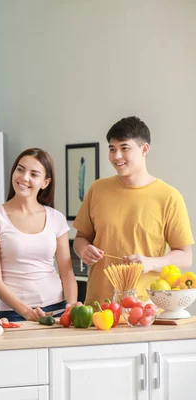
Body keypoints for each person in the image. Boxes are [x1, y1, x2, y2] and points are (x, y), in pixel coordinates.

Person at [73, 116, 194, 306]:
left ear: (144, 149)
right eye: (112, 149)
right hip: (98, 307)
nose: (116, 156)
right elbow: (81, 238)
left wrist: (150, 263)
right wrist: (83, 250)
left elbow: (185, 256)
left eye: (124, 148)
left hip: (146, 308)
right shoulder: (97, 189)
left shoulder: (169, 197)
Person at [0, 148, 78, 322]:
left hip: (58, 308)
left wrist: (71, 306)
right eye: (20, 169)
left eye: (34, 174)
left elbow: (66, 272)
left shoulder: (56, 218)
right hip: (13, 313)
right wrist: (25, 312)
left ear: (45, 182)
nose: (24, 177)